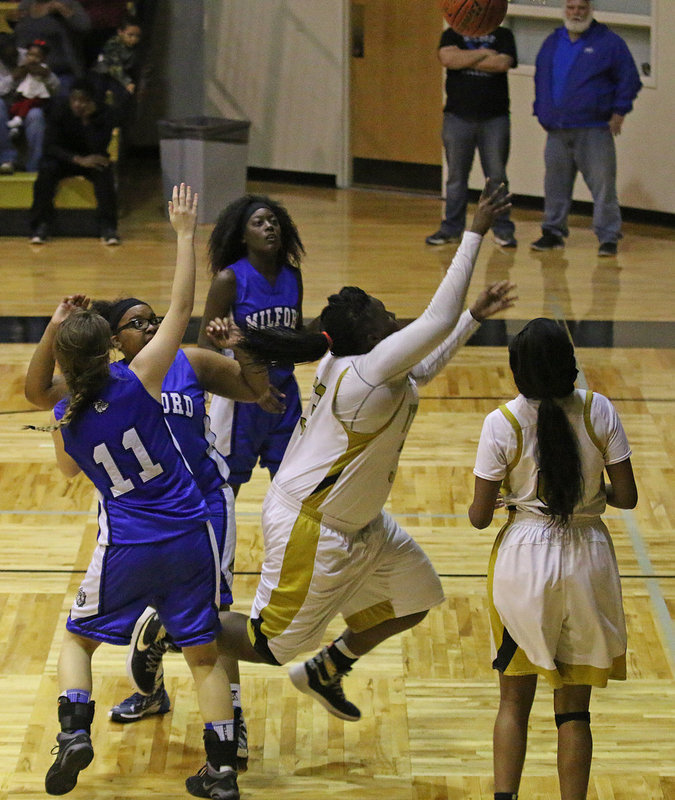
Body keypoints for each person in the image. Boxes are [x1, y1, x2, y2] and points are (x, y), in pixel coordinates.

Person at [164, 183, 514, 726]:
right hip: (314, 525)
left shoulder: (362, 364)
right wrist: (474, 232)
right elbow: (433, 323)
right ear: (370, 336)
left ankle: (329, 668)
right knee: (269, 645)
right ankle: (170, 623)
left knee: (414, 597)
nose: (393, 314)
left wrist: (473, 317)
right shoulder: (364, 374)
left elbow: (428, 359)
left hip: (361, 524)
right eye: (382, 312)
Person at [24, 185, 242, 800]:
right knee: (204, 658)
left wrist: (53, 327)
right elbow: (179, 307)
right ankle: (221, 771)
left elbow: (59, 448)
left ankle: (73, 733)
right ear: (113, 347)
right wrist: (181, 234)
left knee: (77, 639)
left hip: (126, 543)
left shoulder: (66, 416)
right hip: (189, 534)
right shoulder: (141, 377)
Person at [468, 317, 637, 800]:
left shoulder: (502, 422)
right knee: (574, 712)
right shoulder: (598, 409)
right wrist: (587, 493)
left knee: (514, 702)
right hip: (589, 558)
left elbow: (479, 519)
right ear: (570, 362)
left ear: (518, 371)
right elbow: (626, 496)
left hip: (524, 560)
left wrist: (511, 499)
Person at [197, 194, 306, 498]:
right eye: (259, 223)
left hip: (284, 397)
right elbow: (205, 348)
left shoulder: (292, 276)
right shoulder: (229, 279)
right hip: (241, 401)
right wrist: (250, 385)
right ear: (243, 236)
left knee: (293, 490)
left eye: (273, 222)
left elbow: (294, 339)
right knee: (225, 490)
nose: (269, 227)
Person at [530, 0, 642, 257]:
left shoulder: (609, 43)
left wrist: (619, 111)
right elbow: (542, 78)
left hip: (594, 129)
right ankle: (552, 233)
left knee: (603, 186)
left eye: (581, 8)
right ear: (564, 10)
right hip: (557, 129)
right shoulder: (552, 42)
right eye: (571, 8)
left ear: (590, 10)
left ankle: (608, 237)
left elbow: (629, 79)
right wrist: (541, 109)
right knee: (555, 185)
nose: (576, 13)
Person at [425, 24, 517, 248]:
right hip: (458, 118)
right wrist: (485, 53)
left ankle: (503, 229)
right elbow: (448, 59)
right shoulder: (451, 34)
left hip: (494, 118)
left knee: (496, 177)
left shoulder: (503, 35)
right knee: (456, 177)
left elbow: (502, 63)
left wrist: (464, 57)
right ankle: (451, 229)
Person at [28, 77, 119, 244]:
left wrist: (87, 121)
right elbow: (50, 146)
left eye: (83, 100)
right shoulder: (59, 110)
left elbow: (99, 147)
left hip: (91, 159)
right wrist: (77, 159)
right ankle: (41, 225)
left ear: (92, 101)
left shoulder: (105, 114)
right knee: (46, 170)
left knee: (104, 171)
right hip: (64, 158)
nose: (78, 104)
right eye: (75, 99)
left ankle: (108, 227)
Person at [14, 0, 91, 96]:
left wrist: (64, 10)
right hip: (28, 73)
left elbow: (85, 27)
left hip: (62, 72)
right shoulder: (26, 5)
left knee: (63, 98)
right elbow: (20, 38)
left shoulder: (67, 3)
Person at [0, 32, 47, 173]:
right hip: (5, 105)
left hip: (27, 104)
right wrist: (13, 77)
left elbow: (48, 81)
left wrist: (43, 72)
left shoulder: (28, 55)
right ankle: (7, 159)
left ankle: (34, 166)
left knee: (37, 115)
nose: (12, 56)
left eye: (13, 52)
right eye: (7, 54)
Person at [91, 14, 142, 118]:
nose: (134, 39)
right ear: (120, 32)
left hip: (121, 76)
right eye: (130, 35)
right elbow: (115, 66)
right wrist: (127, 83)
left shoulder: (136, 48)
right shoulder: (113, 44)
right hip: (104, 75)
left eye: (137, 36)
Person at [7, 39, 60, 134]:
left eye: (37, 56)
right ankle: (15, 128)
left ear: (43, 58)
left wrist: (39, 71)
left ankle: (19, 120)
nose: (33, 58)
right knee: (15, 108)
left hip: (38, 97)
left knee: (32, 110)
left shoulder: (43, 68)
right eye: (31, 55)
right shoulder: (23, 67)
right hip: (21, 96)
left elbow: (55, 85)